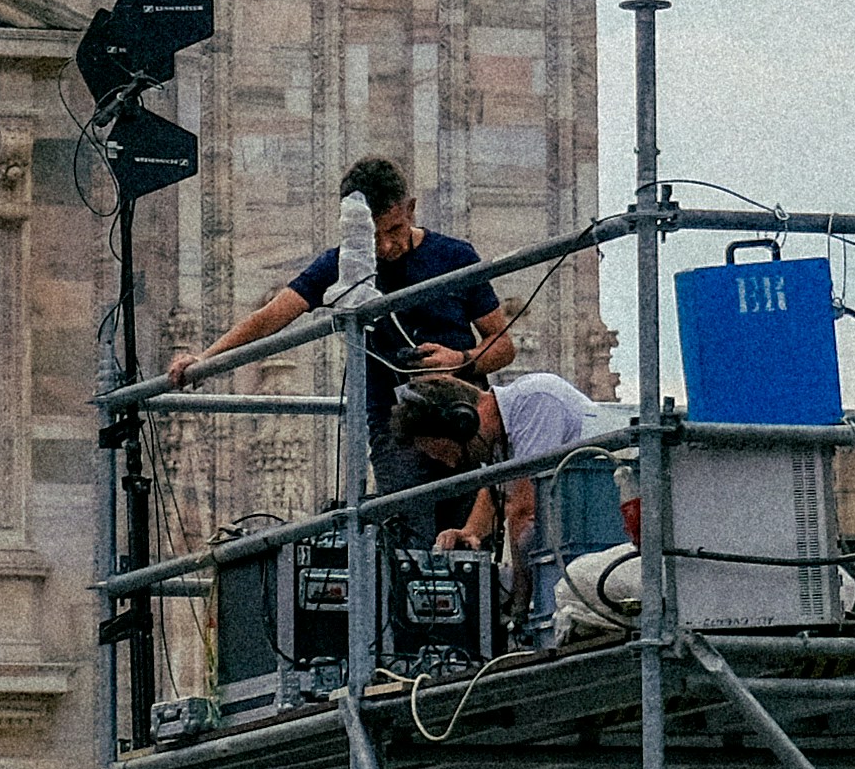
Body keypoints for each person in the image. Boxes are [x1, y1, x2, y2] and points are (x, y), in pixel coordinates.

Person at [174, 157, 513, 529]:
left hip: (463, 418)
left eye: (395, 229)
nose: (386, 246)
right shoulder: (343, 267)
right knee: (409, 545)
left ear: (411, 209)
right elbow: (271, 315)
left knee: (470, 545)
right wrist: (205, 359)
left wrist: (459, 359)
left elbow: (503, 346)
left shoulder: (455, 256)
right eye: (372, 236)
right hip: (397, 426)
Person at [392, 367, 598, 617]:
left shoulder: (535, 402)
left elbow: (526, 508)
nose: (451, 464)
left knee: (526, 542)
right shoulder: (500, 434)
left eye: (447, 452)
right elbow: (495, 492)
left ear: (463, 423)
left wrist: (519, 606)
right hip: (579, 529)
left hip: (599, 525)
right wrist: (469, 532)